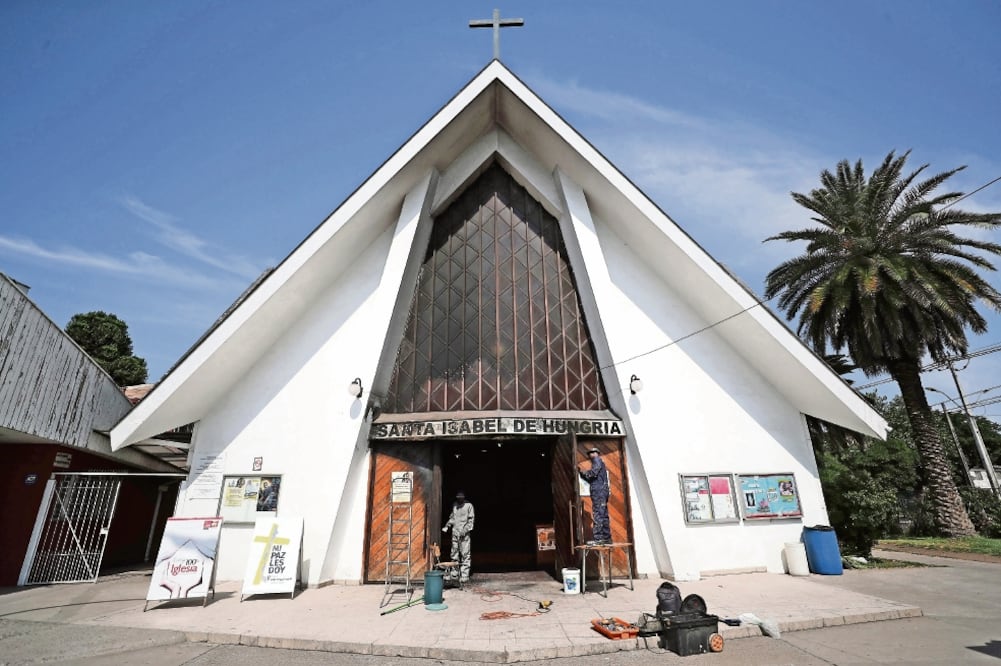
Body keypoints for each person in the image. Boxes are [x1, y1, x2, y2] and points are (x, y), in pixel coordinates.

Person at [578, 447, 611, 545]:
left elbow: (593, 473)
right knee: (604, 515)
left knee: (598, 514)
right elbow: (592, 478)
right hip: (602, 492)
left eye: (591, 454)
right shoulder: (600, 463)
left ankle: (598, 539)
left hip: (599, 492)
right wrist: (583, 475)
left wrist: (583, 473)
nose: (590, 456)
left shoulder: (597, 461)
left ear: (595, 454)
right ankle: (606, 537)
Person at [442, 491, 475, 583]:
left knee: (465, 554)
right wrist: (447, 525)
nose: (459, 499)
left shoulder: (469, 506)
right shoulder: (455, 505)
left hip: (464, 535)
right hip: (455, 533)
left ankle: (464, 574)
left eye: (461, 498)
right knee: (454, 553)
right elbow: (452, 517)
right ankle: (454, 572)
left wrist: (464, 531)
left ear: (464, 498)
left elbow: (471, 521)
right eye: (458, 498)